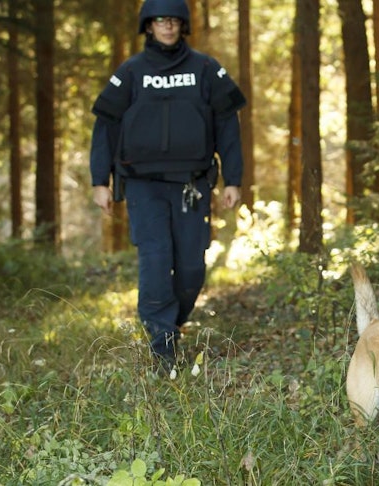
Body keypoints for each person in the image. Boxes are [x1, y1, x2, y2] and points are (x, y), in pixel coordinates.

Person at [89, 0, 246, 374]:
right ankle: (162, 350)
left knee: (192, 268)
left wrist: (234, 179)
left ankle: (170, 323)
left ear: (183, 25)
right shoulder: (131, 72)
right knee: (156, 262)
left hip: (191, 184)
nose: (168, 27)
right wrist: (100, 181)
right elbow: (105, 127)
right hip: (143, 185)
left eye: (174, 20)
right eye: (160, 20)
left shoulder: (205, 69)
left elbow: (228, 126)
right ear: (148, 25)